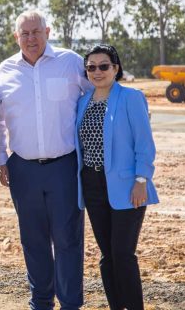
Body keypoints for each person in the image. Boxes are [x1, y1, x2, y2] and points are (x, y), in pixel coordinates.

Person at [0, 9, 92, 310]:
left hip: (65, 166)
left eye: (36, 32)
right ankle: (41, 302)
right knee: (33, 240)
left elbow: (95, 99)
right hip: (22, 169)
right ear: (16, 37)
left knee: (68, 239)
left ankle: (71, 304)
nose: (31, 38)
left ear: (47, 32)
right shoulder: (4, 71)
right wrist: (1, 158)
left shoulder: (70, 62)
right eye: (25, 33)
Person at [76, 44, 158, 310]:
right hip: (92, 185)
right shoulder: (82, 102)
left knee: (123, 253)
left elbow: (144, 143)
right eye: (91, 67)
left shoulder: (131, 97)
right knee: (107, 255)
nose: (97, 71)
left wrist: (142, 180)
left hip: (128, 186)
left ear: (116, 68)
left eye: (103, 66)